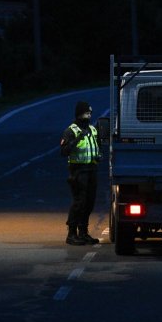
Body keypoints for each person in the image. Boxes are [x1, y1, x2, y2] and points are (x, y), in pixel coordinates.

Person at [60, 101, 101, 245]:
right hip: (78, 171)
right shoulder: (71, 131)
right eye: (86, 112)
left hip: (92, 170)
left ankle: (83, 232)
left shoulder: (92, 129)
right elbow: (64, 152)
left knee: (89, 202)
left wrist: (98, 155)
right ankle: (71, 234)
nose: (89, 115)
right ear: (79, 114)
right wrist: (76, 140)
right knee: (79, 202)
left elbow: (97, 147)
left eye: (90, 112)